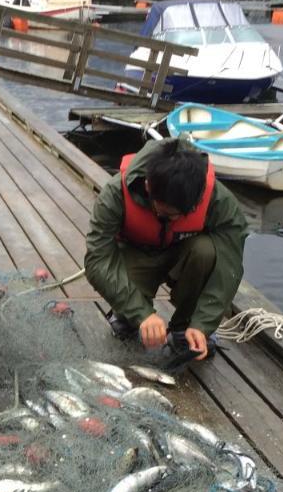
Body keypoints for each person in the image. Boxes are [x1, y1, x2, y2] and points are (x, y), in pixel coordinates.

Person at [84, 138, 248, 362]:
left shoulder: (220, 200)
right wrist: (142, 315)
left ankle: (186, 329)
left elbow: (229, 264)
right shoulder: (114, 194)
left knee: (207, 252)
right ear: (149, 186)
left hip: (185, 255)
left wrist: (203, 323)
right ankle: (127, 317)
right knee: (129, 317)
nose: (177, 219)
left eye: (185, 213)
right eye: (168, 214)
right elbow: (97, 260)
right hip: (137, 254)